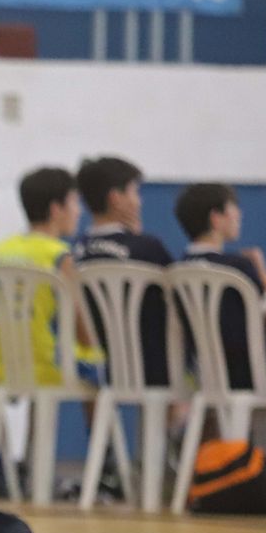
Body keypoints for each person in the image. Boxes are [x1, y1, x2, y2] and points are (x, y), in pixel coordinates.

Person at [0, 167, 97, 386]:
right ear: (56, 209)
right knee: (105, 368)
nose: (79, 211)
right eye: (74, 202)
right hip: (48, 365)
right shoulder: (58, 255)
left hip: (1, 365)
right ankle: (100, 422)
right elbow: (83, 331)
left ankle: (38, 422)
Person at [174, 183, 266, 388]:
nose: (239, 214)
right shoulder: (237, 267)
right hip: (254, 372)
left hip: (203, 373)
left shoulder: (177, 270)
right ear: (216, 217)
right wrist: (262, 272)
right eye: (233, 207)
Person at [72, 156, 174, 387]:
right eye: (134, 193)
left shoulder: (76, 251)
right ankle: (174, 417)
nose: (139, 202)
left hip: (100, 365)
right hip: (153, 365)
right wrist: (137, 238)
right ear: (116, 199)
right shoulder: (147, 247)